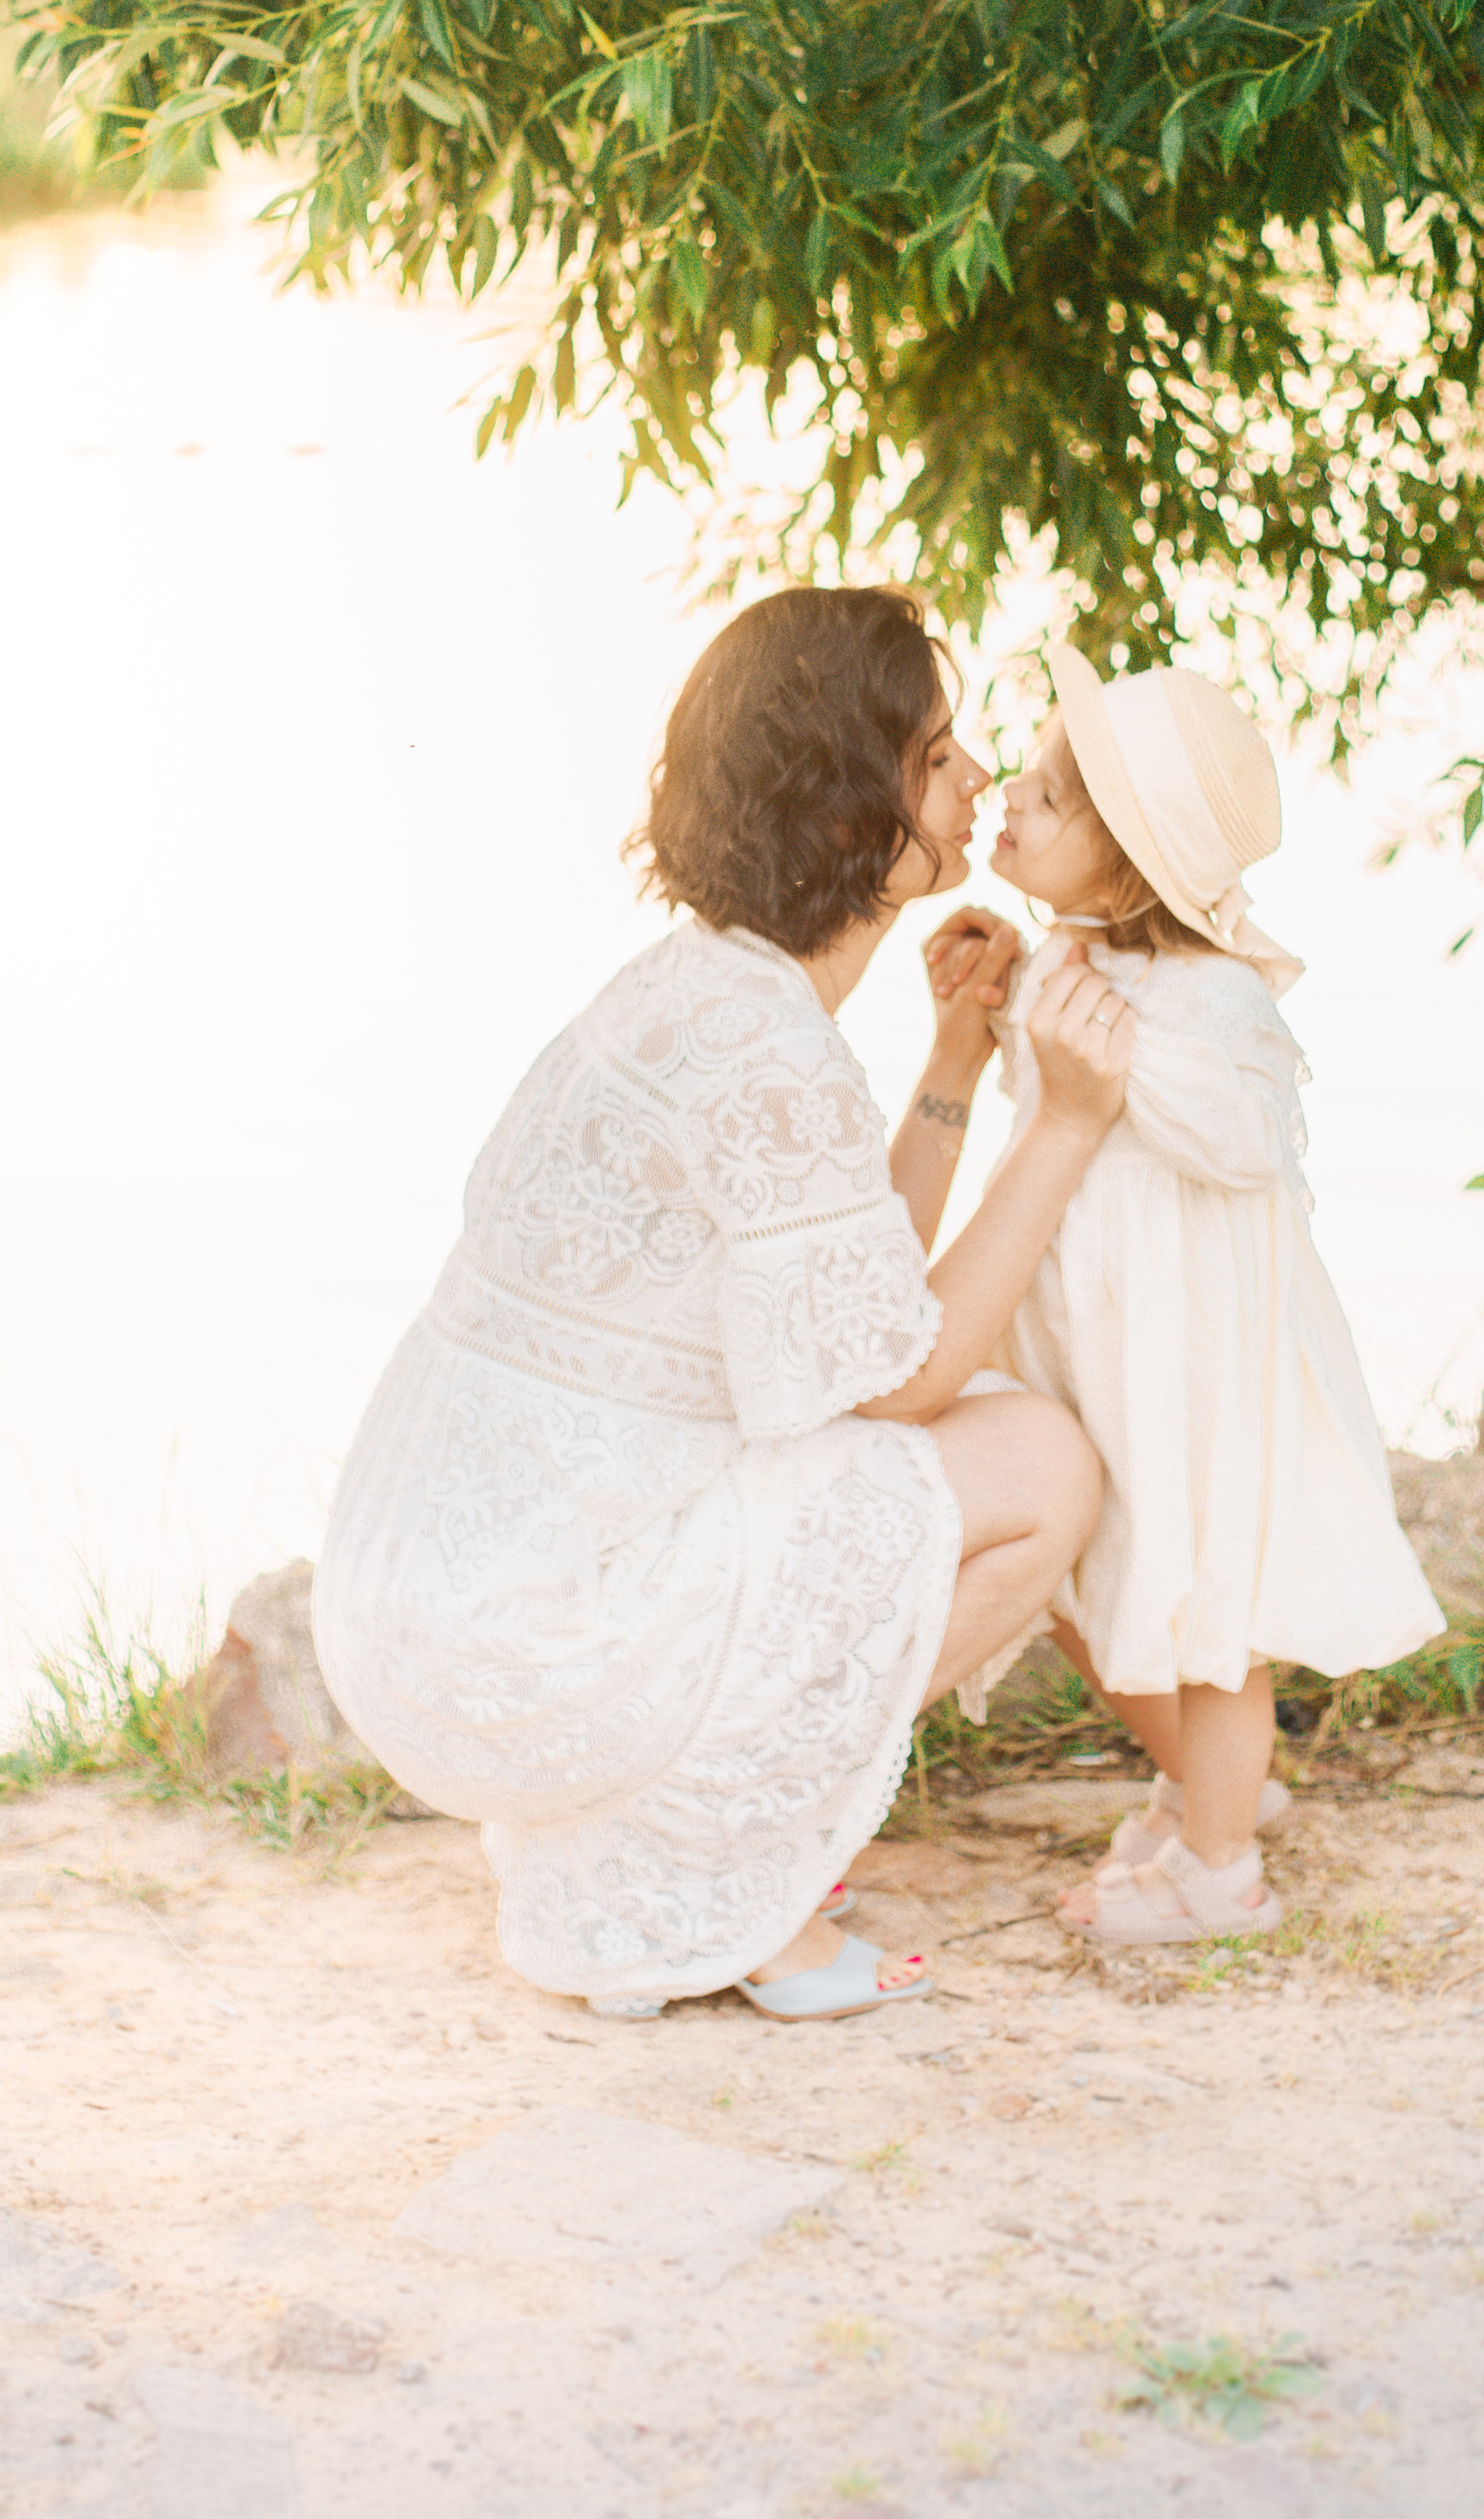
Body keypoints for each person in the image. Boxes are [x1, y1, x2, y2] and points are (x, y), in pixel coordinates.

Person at [313, 587, 1131, 2022]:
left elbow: (846, 1318)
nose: (980, 778)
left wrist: (950, 1060)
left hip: (426, 1615)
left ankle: (689, 1834)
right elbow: (905, 1379)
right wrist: (1057, 1125)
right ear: (842, 814)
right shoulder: (765, 1050)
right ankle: (721, 1872)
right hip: (512, 1645)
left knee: (930, 1456)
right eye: (940, 760)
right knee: (1039, 1462)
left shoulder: (692, 994)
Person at [977, 648, 1445, 1945]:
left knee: (1211, 1609)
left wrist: (1112, 1065)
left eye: (1051, 798)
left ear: (1131, 862)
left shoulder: (1217, 998)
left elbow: (1244, 1144)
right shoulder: (1066, 960)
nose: (1010, 796)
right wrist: (1008, 1001)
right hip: (1089, 1350)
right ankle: (1206, 1793)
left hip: (1192, 1368)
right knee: (1077, 1580)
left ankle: (1223, 1868)